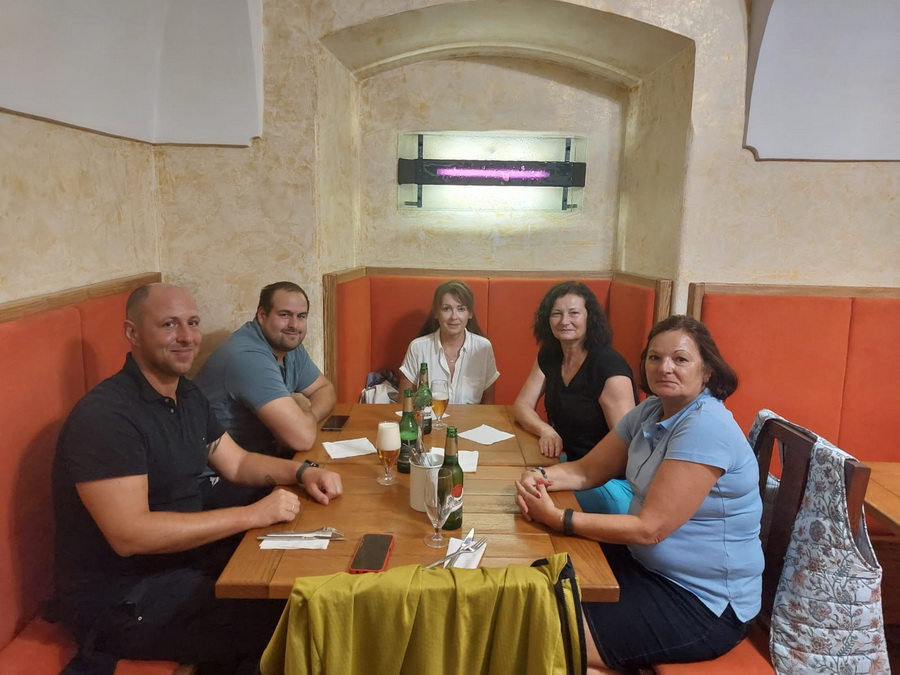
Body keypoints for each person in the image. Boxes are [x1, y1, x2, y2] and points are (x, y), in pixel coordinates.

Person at [50, 283, 343, 674]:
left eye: (192, 323)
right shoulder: (106, 417)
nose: (187, 337)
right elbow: (130, 535)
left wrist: (303, 471)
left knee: (312, 577)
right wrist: (253, 514)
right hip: (121, 599)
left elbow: (236, 463)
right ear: (132, 332)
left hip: (182, 563)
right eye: (169, 324)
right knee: (291, 616)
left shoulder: (185, 395)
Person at [514, 315, 763, 672]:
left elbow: (650, 528)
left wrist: (559, 518)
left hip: (702, 603)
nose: (665, 367)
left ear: (707, 370)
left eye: (680, 359)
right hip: (644, 567)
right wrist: (538, 477)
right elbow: (586, 471)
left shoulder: (705, 426)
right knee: (532, 584)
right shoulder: (650, 410)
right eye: (655, 357)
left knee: (542, 632)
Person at [195, 281, 337, 507]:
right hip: (214, 479)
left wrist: (308, 416)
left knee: (332, 482)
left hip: (257, 461)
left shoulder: (288, 346)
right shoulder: (248, 356)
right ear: (262, 315)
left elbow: (325, 389)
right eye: (284, 315)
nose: (294, 325)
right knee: (317, 502)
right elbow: (301, 438)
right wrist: (302, 423)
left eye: (301, 316)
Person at [513, 281, 638, 514]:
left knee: (533, 498)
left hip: (614, 482)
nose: (564, 321)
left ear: (590, 318)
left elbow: (627, 448)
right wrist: (546, 430)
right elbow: (521, 405)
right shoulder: (551, 354)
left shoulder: (608, 366)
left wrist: (573, 475)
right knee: (521, 483)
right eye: (556, 314)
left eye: (574, 313)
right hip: (574, 467)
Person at [399, 279, 499, 404]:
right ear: (436, 312)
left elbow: (488, 405)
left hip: (472, 418)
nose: (454, 317)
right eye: (446, 309)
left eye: (461, 309)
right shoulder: (417, 348)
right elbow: (404, 404)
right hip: (428, 417)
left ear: (470, 313)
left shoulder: (483, 348)